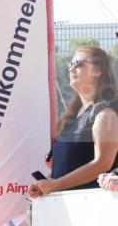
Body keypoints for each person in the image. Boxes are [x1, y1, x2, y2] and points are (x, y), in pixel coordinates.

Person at [29, 46, 118, 198]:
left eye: (78, 63)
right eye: (70, 64)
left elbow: (102, 164)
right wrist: (46, 184)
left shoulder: (106, 113)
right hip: (66, 211)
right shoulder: (74, 117)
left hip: (94, 212)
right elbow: (68, 169)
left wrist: (55, 185)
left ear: (97, 71)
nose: (71, 68)